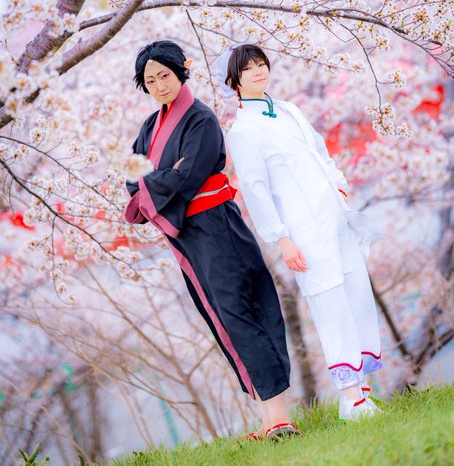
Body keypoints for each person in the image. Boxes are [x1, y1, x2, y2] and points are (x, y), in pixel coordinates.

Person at [125, 40, 299, 439]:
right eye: (150, 80)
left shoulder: (200, 118)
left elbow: (187, 175)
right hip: (188, 236)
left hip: (218, 227)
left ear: (180, 72)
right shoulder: (149, 128)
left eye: (165, 75)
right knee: (219, 315)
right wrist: (162, 176)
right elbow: (133, 178)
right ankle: (266, 419)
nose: (159, 85)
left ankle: (280, 416)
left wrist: (156, 179)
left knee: (243, 309)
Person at [222, 43, 384, 421]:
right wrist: (282, 239)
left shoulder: (289, 110)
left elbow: (320, 151)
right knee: (330, 303)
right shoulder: (243, 130)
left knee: (356, 296)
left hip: (335, 218)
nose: (259, 71)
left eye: (262, 64)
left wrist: (338, 186)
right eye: (249, 68)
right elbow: (256, 190)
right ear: (234, 81)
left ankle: (364, 393)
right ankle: (351, 399)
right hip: (303, 230)